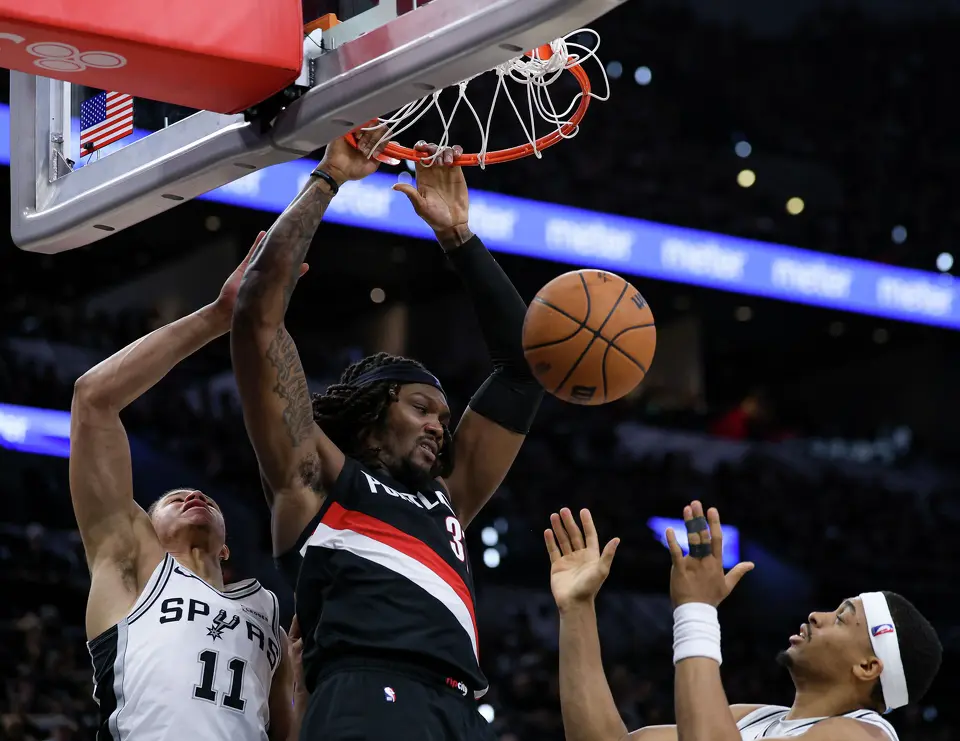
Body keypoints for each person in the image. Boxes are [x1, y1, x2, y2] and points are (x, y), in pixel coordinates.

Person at [230, 130, 544, 740]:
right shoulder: (319, 482)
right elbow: (257, 316)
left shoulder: (446, 499)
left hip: (459, 711)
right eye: (422, 408)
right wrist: (328, 180)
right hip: (364, 694)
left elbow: (524, 369)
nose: (438, 425)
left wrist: (458, 235)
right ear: (374, 413)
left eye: (444, 419)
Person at [70, 238, 305, 741]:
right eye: (172, 500)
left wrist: (303, 689)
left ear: (226, 544)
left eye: (205, 499)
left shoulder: (267, 612)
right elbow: (93, 400)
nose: (193, 496)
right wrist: (219, 316)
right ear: (145, 531)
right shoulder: (129, 566)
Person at [545, 503, 942, 741]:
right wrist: (577, 609)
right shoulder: (752, 718)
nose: (817, 616)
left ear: (869, 666)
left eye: (841, 619)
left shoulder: (864, 735)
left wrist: (697, 609)